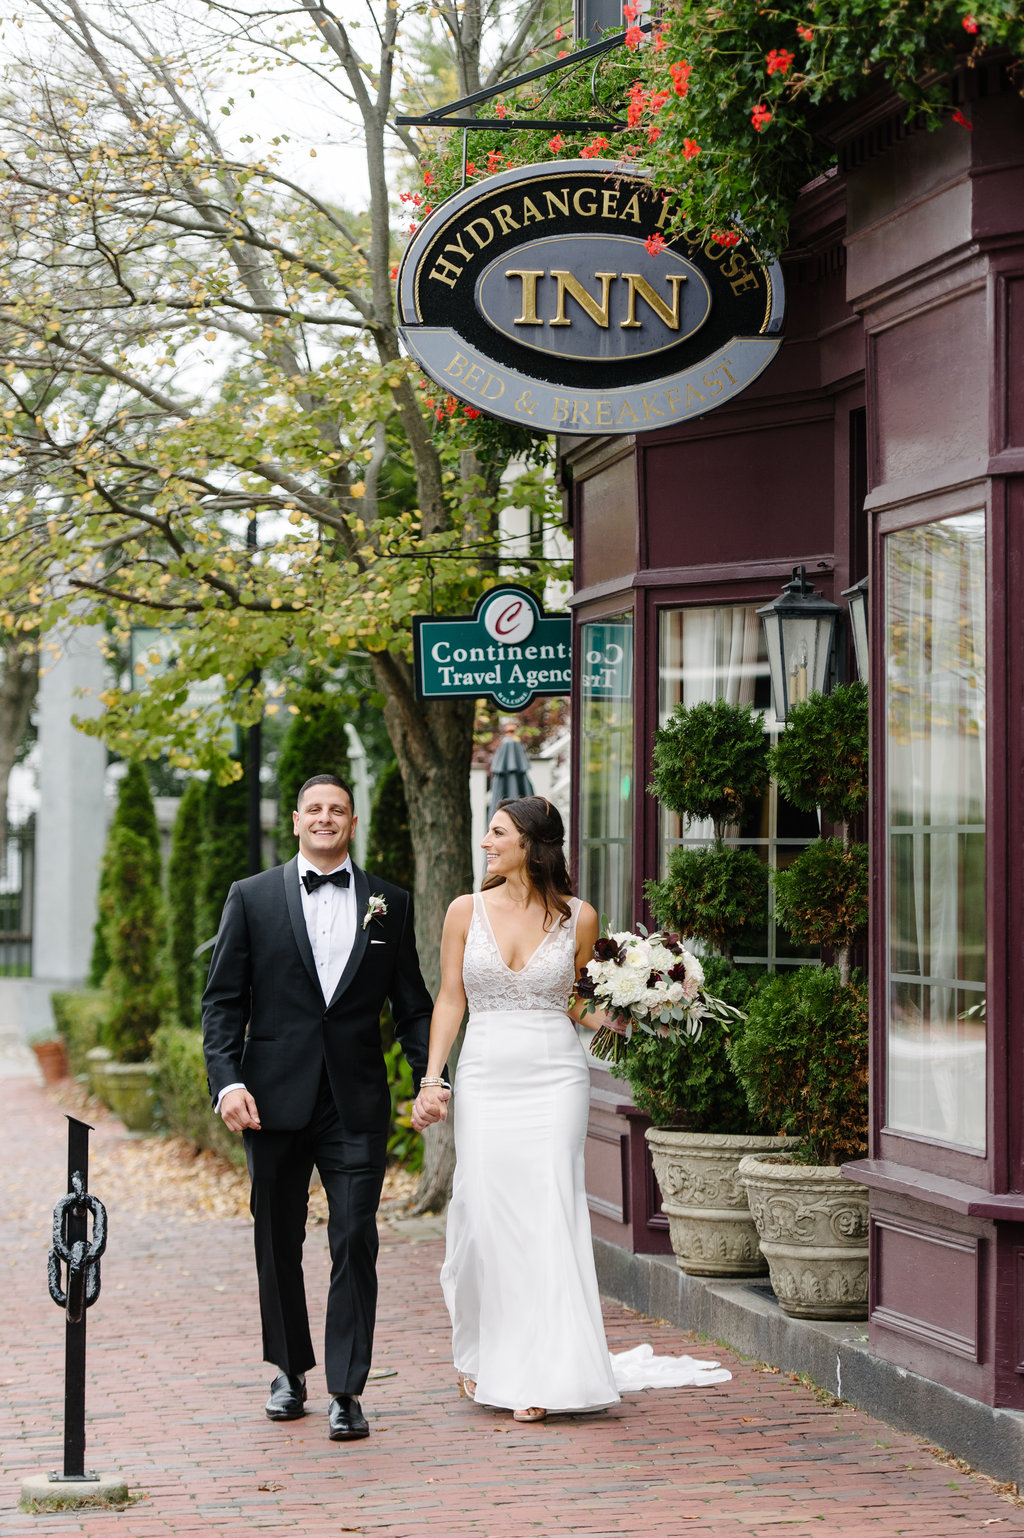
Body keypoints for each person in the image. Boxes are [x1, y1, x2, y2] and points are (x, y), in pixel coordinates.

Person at [202, 772, 435, 1442]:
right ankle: (288, 1370)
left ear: (352, 823)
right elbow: (223, 1002)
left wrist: (431, 1078)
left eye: (338, 809)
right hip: (271, 1100)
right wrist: (227, 1083)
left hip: (355, 1100)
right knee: (277, 1237)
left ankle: (347, 1388)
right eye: (315, 809)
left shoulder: (391, 903)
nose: (326, 818)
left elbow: (412, 1005)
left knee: (355, 1235)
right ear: (297, 820)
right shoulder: (251, 897)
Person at [411, 794, 620, 1421]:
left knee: (550, 1209)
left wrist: (635, 1011)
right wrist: (433, 1080)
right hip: (486, 1073)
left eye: (499, 833)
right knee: (484, 1212)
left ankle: (542, 1374)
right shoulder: (464, 910)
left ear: (531, 843)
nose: (487, 842)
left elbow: (577, 1001)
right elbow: (451, 998)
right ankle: (486, 1352)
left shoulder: (580, 916)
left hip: (556, 1076)